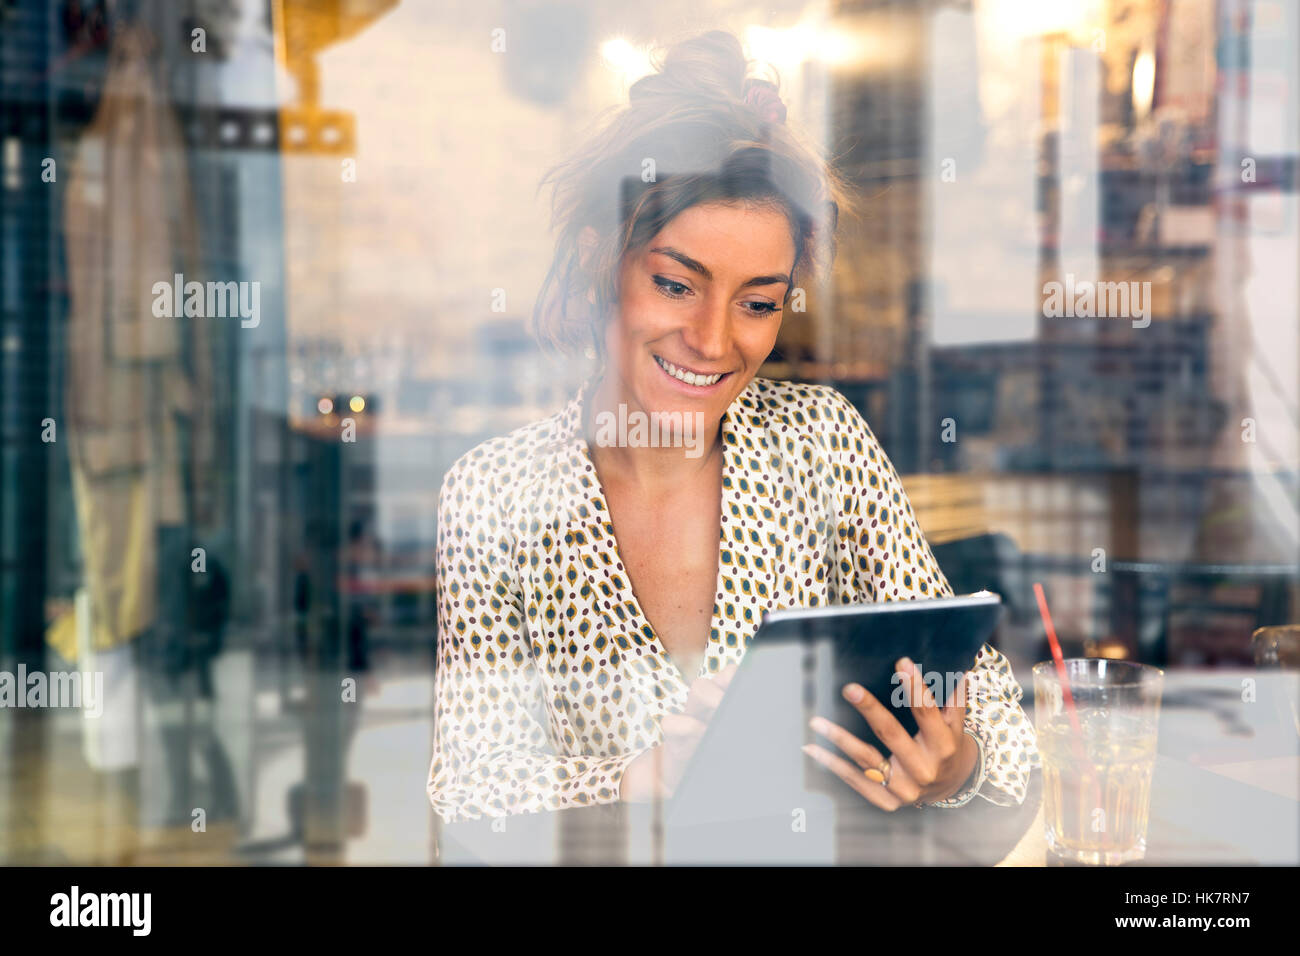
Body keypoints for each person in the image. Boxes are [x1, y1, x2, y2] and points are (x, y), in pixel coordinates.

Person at [428, 30, 1037, 823]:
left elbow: (985, 700)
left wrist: (955, 762)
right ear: (596, 260)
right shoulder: (495, 494)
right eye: (677, 285)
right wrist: (641, 777)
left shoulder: (818, 444)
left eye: (757, 303)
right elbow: (468, 786)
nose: (715, 342)